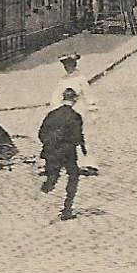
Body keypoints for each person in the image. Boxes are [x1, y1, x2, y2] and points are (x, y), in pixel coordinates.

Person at [39, 88, 86, 221]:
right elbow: (76, 136)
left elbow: (41, 133)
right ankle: (67, 209)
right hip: (67, 153)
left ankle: (45, 189)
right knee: (73, 175)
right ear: (75, 99)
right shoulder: (75, 116)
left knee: (52, 176)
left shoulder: (52, 114)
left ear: (62, 98)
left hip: (51, 152)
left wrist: (49, 145)